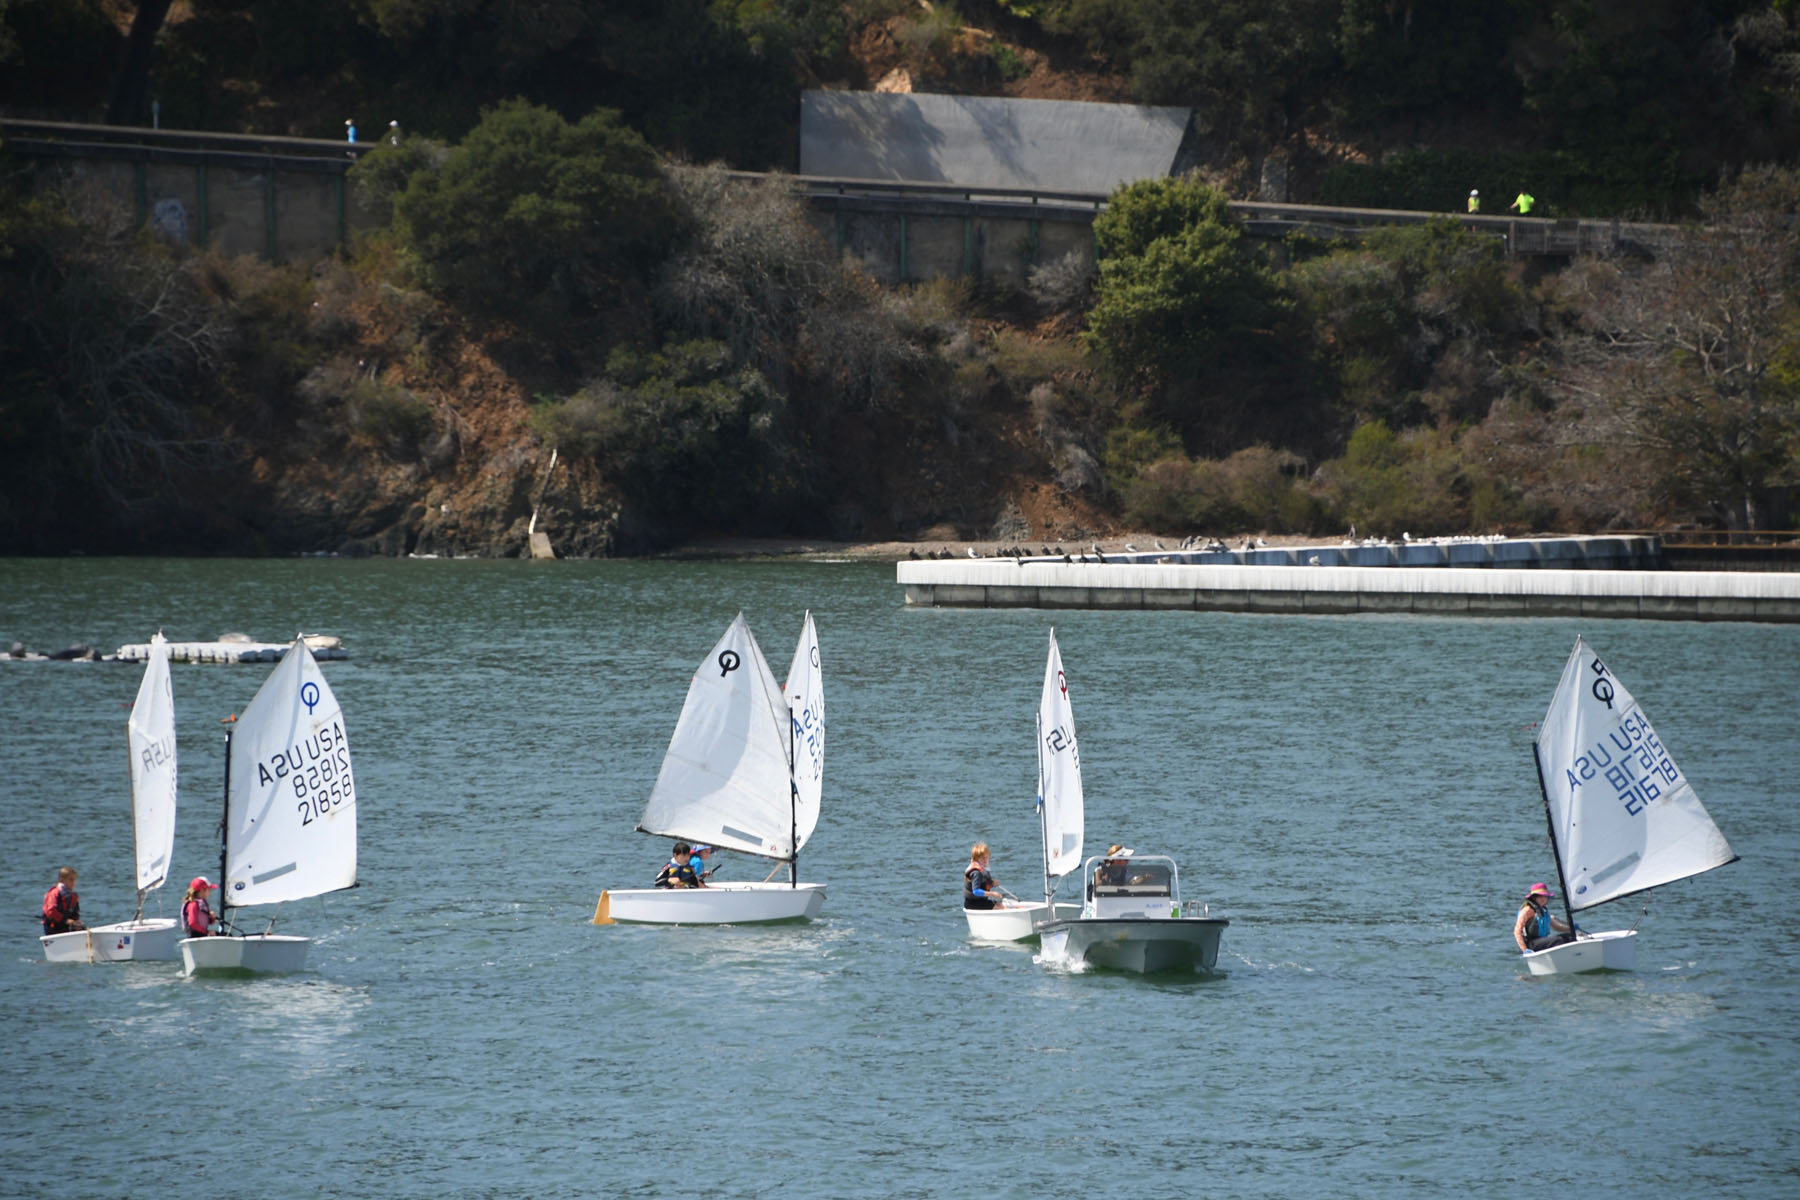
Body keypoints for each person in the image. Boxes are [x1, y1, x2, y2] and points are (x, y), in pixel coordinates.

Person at [1514, 882, 1573, 952]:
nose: (1543, 899)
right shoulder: (1527, 910)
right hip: (1531, 943)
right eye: (1540, 896)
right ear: (1534, 897)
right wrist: (1525, 949)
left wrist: (1571, 928)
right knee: (1558, 941)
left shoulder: (1543, 910)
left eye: (1545, 896)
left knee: (1569, 937)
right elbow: (1517, 931)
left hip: (1542, 941)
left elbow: (1557, 927)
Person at [41, 866, 84, 935]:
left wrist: (76, 922)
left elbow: (76, 913)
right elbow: (51, 911)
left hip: (66, 927)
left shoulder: (73, 896)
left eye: (75, 880)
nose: (73, 882)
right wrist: (66, 920)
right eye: (71, 880)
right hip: (53, 928)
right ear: (62, 880)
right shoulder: (54, 893)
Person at [963, 843, 1005, 910]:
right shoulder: (976, 872)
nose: (985, 860)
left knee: (1000, 905)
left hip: (979, 901)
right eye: (982, 858)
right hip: (973, 903)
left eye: (987, 857)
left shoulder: (983, 868)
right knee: (1000, 907)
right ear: (977, 859)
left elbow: (983, 884)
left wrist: (991, 883)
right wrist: (992, 894)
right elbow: (976, 891)